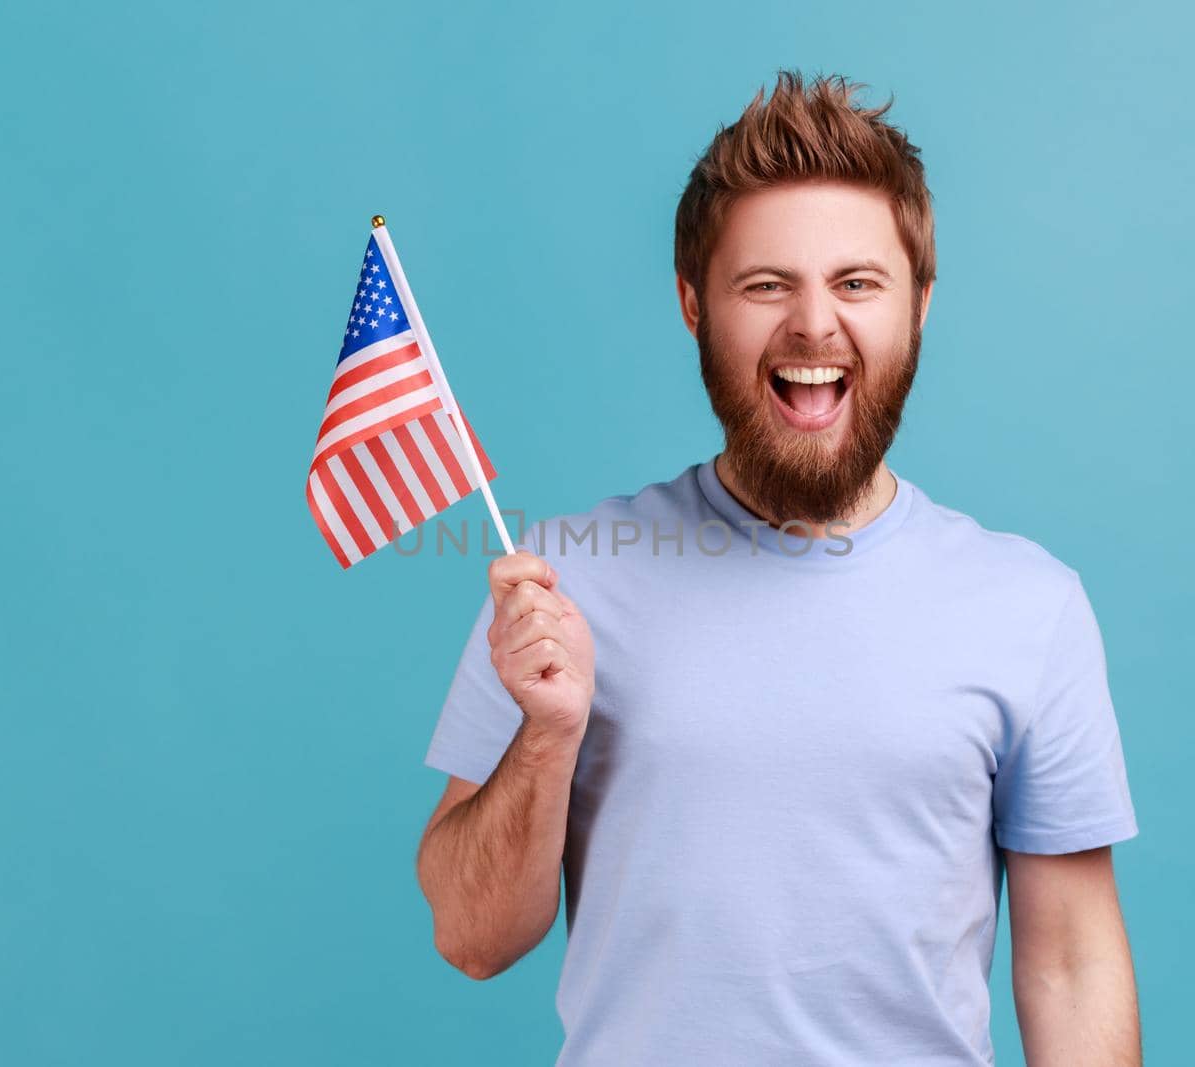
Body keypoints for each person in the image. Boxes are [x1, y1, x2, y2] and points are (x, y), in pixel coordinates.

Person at [414, 69, 1141, 1066]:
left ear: (918, 303)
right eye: (765, 285)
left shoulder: (1028, 605)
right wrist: (547, 735)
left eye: (855, 282)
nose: (811, 324)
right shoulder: (563, 581)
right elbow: (469, 937)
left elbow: (1068, 962)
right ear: (692, 305)